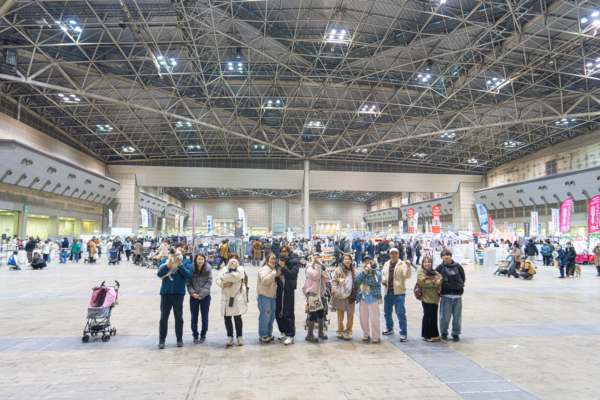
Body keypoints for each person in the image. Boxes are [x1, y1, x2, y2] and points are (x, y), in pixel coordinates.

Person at [156, 241, 193, 349]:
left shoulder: (187, 262)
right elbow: (159, 273)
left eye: (184, 248)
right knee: (163, 318)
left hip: (178, 293)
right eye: (180, 247)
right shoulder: (165, 260)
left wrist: (180, 264)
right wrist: (169, 264)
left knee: (179, 317)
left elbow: (188, 275)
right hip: (165, 292)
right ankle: (162, 339)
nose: (182, 249)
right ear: (176, 248)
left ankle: (179, 339)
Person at [381, 248, 412, 341]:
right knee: (387, 312)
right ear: (389, 254)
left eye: (395, 253)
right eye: (392, 253)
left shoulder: (402, 264)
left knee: (401, 313)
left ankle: (403, 333)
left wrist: (408, 266)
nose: (394, 255)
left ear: (398, 254)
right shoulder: (386, 264)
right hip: (388, 292)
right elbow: (383, 274)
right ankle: (389, 328)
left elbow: (407, 276)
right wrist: (383, 279)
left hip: (399, 293)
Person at [216, 257, 248, 346]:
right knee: (227, 318)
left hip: (236, 297)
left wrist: (224, 277)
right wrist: (223, 284)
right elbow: (217, 279)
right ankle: (229, 337)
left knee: (237, 318)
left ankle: (239, 337)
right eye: (231, 260)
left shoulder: (241, 269)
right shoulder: (224, 269)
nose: (233, 262)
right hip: (226, 296)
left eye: (235, 260)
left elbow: (236, 277)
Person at [436, 249, 466, 341]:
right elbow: (435, 280)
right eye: (444, 255)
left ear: (451, 256)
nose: (446, 256)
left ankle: (456, 333)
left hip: (457, 295)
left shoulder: (458, 266)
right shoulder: (440, 268)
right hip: (446, 295)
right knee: (445, 316)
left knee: (457, 316)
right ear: (441, 257)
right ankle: (444, 332)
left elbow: (463, 278)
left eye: (448, 255)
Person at [275, 245, 300, 345]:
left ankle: (290, 335)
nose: (283, 253)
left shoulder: (294, 261)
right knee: (278, 311)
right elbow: (276, 276)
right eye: (282, 251)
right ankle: (283, 331)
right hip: (279, 289)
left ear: (289, 252)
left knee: (288, 312)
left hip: (289, 289)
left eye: (285, 251)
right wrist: (277, 274)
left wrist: (282, 267)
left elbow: (292, 274)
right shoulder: (279, 261)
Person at [303, 255, 331, 342]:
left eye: (320, 259)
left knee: (321, 313)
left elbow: (327, 278)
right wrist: (318, 266)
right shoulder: (309, 268)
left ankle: (320, 332)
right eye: (317, 259)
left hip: (321, 294)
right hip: (313, 294)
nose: (320, 261)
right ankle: (309, 334)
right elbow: (316, 276)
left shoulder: (320, 268)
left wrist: (324, 269)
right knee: (313, 314)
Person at [330, 253, 358, 340]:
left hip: (351, 295)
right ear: (343, 261)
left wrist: (357, 294)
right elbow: (334, 281)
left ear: (351, 261)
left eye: (349, 259)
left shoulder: (354, 271)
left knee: (350, 313)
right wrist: (334, 291)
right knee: (340, 314)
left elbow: (357, 283)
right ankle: (340, 330)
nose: (347, 260)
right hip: (341, 295)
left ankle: (349, 331)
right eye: (345, 259)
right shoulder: (338, 270)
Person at [355, 254, 382, 343]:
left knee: (375, 318)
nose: (368, 262)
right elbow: (357, 279)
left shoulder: (377, 271)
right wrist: (364, 273)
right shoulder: (362, 271)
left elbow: (376, 282)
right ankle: (366, 333)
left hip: (373, 297)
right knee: (363, 318)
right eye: (366, 261)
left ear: (372, 261)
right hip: (363, 297)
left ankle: (376, 335)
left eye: (369, 260)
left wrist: (364, 279)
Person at [187, 254, 212, 344]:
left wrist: (201, 294)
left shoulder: (208, 269)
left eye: (202, 259)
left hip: (205, 297)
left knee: (204, 317)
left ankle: (203, 334)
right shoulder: (191, 269)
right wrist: (193, 293)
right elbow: (188, 283)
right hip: (194, 297)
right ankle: (195, 335)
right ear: (195, 260)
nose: (200, 261)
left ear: (204, 260)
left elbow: (209, 283)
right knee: (194, 317)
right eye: (198, 259)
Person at [417, 257, 442, 341]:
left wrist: (435, 282)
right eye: (425, 262)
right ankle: (427, 335)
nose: (427, 264)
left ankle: (435, 333)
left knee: (434, 315)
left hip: (435, 298)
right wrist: (435, 283)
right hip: (426, 297)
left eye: (429, 262)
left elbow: (441, 278)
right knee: (427, 315)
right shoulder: (421, 271)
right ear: (422, 263)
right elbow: (423, 283)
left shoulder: (434, 271)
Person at [257, 253, 278, 342]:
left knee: (271, 316)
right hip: (264, 297)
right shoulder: (265, 269)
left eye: (274, 259)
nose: (273, 260)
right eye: (271, 258)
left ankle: (269, 333)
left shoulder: (273, 269)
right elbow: (265, 281)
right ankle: (263, 334)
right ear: (267, 259)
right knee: (265, 316)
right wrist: (274, 274)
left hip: (272, 297)